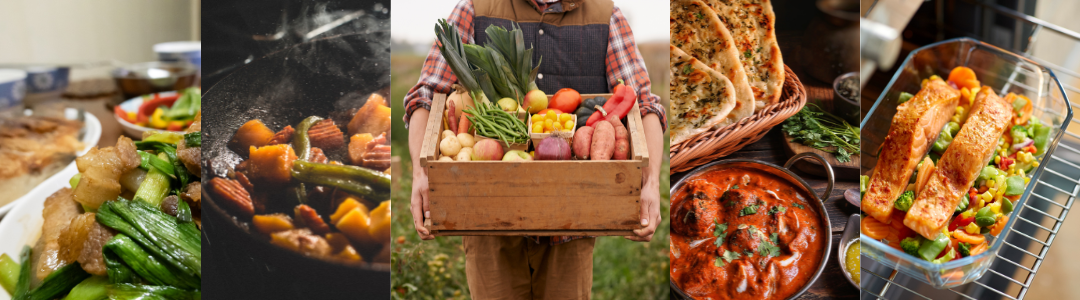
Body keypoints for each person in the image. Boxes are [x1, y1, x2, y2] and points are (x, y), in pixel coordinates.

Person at [403, 0, 666, 298]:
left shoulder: (606, 15)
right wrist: (421, 173)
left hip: (572, 222)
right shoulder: (475, 8)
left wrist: (651, 182)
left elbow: (644, 106)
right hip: (489, 219)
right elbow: (426, 97)